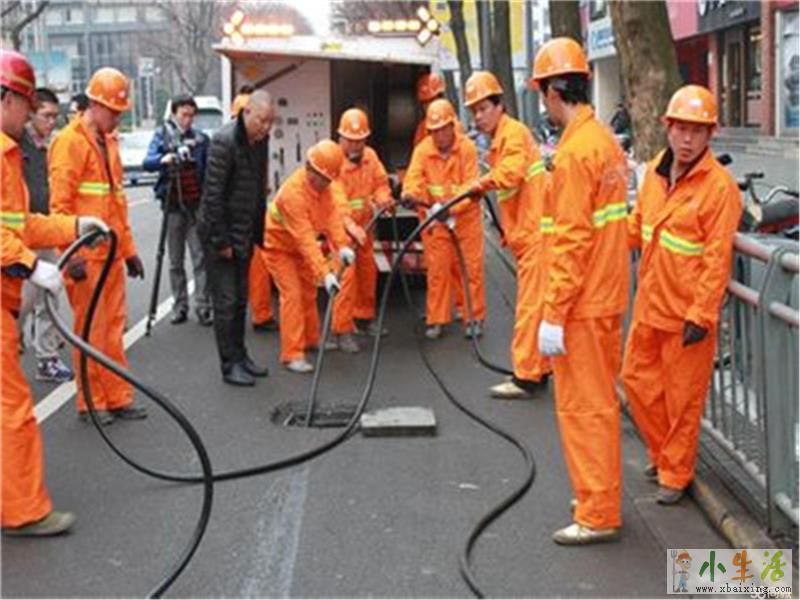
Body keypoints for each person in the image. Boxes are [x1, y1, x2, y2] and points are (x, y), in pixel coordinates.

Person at [1, 49, 108, 536]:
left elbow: (21, 224)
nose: (29, 115)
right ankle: (23, 511)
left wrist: (72, 227)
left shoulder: (9, 155)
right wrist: (29, 265)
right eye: (27, 104)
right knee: (11, 410)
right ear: (6, 98)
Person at [622, 85, 742, 505]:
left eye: (697, 131)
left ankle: (675, 472)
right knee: (636, 382)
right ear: (668, 128)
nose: (688, 139)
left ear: (710, 135)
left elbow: (716, 258)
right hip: (650, 305)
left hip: (686, 315)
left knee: (682, 401)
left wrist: (701, 314)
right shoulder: (656, 173)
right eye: (681, 129)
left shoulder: (720, 189)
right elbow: (637, 228)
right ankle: (664, 454)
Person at [531, 37, 629, 545]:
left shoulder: (574, 154)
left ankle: (597, 511)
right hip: (604, 294)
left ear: (552, 91)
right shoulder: (604, 141)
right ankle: (598, 496)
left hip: (582, 303)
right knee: (600, 406)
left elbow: (570, 241)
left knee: (584, 409)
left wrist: (553, 313)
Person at [49, 67, 148, 426]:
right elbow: (60, 206)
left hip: (109, 256)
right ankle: (91, 402)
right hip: (86, 258)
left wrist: (129, 251)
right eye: (113, 111)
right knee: (91, 330)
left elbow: (117, 203)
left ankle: (117, 396)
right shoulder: (70, 143)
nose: (117, 118)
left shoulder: (108, 143)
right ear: (94, 104)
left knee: (113, 329)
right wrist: (69, 254)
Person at [462, 71, 551, 398]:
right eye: (474, 111)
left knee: (529, 310)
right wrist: (508, 232)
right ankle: (538, 369)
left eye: (483, 108)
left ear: (500, 106)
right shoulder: (502, 140)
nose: (478, 116)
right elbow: (515, 194)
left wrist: (478, 184)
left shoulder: (512, 135)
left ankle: (526, 377)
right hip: (527, 236)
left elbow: (510, 175)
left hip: (536, 237)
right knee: (535, 308)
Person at [198, 90, 274, 386]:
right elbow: (213, 196)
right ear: (247, 113)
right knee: (226, 302)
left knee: (242, 300)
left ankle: (241, 357)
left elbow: (257, 187)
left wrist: (257, 233)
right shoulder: (224, 141)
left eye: (270, 122)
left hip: (244, 231)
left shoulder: (261, 141)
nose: (266, 127)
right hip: (222, 234)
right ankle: (229, 365)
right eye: (262, 120)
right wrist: (222, 242)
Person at [264, 139, 353, 373]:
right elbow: (305, 239)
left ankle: (311, 340)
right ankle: (292, 354)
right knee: (292, 295)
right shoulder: (293, 194)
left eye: (330, 180)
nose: (328, 184)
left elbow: (331, 218)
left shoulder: (324, 188)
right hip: (279, 248)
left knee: (308, 293)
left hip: (298, 248)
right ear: (312, 170)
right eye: (325, 179)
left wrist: (342, 246)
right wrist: (325, 273)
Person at [403, 99, 484, 339]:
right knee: (437, 270)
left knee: (470, 270)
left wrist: (451, 208)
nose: (439, 135)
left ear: (452, 126)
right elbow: (414, 178)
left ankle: (473, 317)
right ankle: (436, 319)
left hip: (465, 220)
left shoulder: (467, 149)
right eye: (434, 131)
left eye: (442, 129)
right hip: (435, 220)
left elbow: (471, 185)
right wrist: (410, 195)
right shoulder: (423, 150)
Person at [18, 87, 74, 382]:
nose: (51, 122)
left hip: (45, 230)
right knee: (22, 302)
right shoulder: (15, 146)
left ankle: (47, 357)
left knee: (50, 294)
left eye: (55, 116)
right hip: (20, 236)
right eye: (46, 116)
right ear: (31, 114)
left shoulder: (50, 147)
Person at [143, 93, 212, 326]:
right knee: (175, 260)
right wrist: (165, 158)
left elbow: (208, 171)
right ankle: (180, 306)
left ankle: (203, 306)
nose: (188, 120)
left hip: (196, 205)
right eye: (184, 115)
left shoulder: (201, 140)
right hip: (173, 206)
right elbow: (148, 162)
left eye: (191, 116)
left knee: (200, 257)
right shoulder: (162, 136)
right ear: (174, 114)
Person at [327, 108, 393, 353]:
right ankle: (341, 331)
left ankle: (364, 317)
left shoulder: (370, 157)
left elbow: (381, 183)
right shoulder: (333, 162)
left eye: (360, 140)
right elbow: (337, 203)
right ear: (340, 138)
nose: (355, 145)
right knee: (346, 278)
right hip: (342, 231)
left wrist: (383, 199)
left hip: (365, 227)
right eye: (350, 140)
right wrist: (351, 228)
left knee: (367, 272)